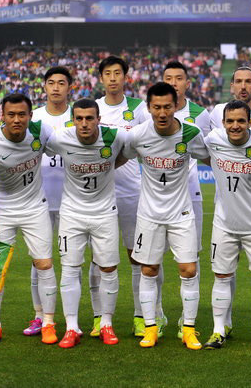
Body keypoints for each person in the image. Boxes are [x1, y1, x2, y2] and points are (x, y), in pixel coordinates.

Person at [122, 82, 209, 350]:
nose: (162, 113)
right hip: (149, 214)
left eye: (167, 107)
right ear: (149, 108)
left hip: (181, 213)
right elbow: (120, 158)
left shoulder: (190, 133)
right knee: (148, 270)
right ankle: (151, 327)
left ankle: (189, 329)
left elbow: (210, 157)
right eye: (157, 107)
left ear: (175, 107)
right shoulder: (137, 135)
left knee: (189, 270)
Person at [0, 93, 58, 345]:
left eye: (22, 114)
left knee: (44, 264)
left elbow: (64, 148)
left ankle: (48, 323)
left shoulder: (41, 132)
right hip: (3, 210)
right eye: (11, 114)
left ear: (30, 116)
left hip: (35, 208)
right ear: (2, 116)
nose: (17, 119)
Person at [46, 99, 127, 348]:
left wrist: (110, 164)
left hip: (105, 213)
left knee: (108, 269)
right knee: (70, 269)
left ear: (99, 120)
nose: (84, 124)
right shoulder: (60, 138)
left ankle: (106, 324)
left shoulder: (115, 136)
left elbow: (128, 152)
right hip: (72, 214)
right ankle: (71, 327)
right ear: (72, 120)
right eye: (79, 118)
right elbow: (36, 146)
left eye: (89, 118)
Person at [95, 55, 167, 339]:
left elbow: (154, 138)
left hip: (130, 193)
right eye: (108, 73)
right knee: (99, 258)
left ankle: (142, 315)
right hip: (99, 195)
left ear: (126, 77)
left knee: (138, 256)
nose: (113, 78)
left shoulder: (138, 108)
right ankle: (100, 318)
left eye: (118, 73)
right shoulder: (93, 109)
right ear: (101, 78)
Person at [203, 100, 251, 351]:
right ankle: (219, 330)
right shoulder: (213, 139)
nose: (235, 126)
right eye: (230, 121)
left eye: (240, 121)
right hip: (224, 224)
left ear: (250, 122)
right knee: (221, 277)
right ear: (223, 122)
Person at [162, 60, 211, 339]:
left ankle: (187, 319)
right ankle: (154, 314)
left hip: (190, 194)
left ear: (187, 83)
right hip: (157, 196)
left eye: (178, 78)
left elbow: (210, 152)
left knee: (191, 257)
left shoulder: (200, 115)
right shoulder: (150, 112)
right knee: (152, 259)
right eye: (168, 78)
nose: (173, 83)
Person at [24, 66, 73, 337]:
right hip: (39, 201)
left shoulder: (78, 116)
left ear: (69, 87)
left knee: (71, 262)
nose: (56, 87)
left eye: (61, 83)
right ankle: (39, 316)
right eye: (51, 82)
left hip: (71, 202)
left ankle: (71, 319)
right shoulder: (34, 118)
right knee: (39, 262)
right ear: (45, 86)